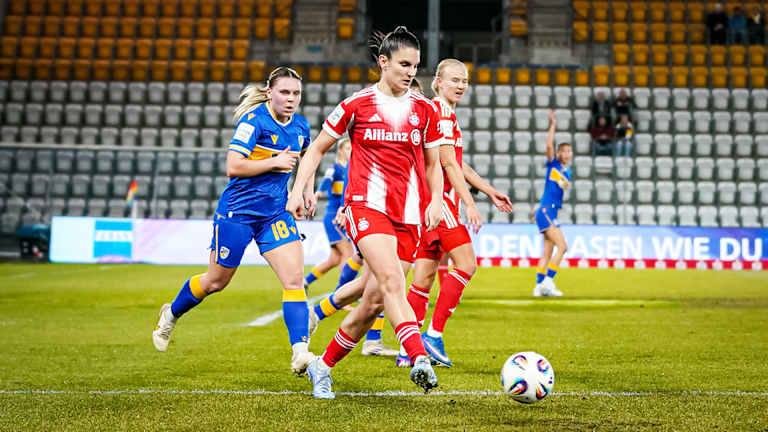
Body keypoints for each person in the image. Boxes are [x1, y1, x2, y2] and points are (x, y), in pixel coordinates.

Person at [286, 26, 446, 399]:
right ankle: (419, 357)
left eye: (416, 66)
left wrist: (436, 199)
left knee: (374, 302)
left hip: (409, 215)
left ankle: (322, 366)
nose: (410, 72)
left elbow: (433, 164)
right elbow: (317, 148)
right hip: (366, 207)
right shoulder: (356, 104)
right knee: (392, 281)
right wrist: (298, 190)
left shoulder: (425, 110)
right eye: (404, 64)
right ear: (383, 62)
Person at [152, 67, 316, 376]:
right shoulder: (253, 123)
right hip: (237, 213)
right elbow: (233, 166)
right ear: (270, 93)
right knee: (216, 282)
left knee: (294, 280)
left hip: (274, 214)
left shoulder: (301, 126)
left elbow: (308, 159)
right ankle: (171, 314)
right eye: (284, 92)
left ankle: (300, 353)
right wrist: (275, 162)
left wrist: (306, 190)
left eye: (296, 93)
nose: (291, 99)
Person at [403, 59, 514, 368]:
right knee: (466, 263)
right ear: (438, 82)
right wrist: (468, 202)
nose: (461, 85)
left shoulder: (445, 113)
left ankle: (407, 350)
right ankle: (433, 337)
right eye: (454, 80)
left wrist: (489, 190)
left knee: (423, 279)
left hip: (428, 205)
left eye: (464, 80)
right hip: (440, 203)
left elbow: (458, 163)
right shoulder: (440, 113)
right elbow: (447, 166)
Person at [302, 138, 354, 290]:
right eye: (346, 148)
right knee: (348, 253)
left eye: (351, 148)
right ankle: (343, 294)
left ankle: (305, 282)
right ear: (340, 151)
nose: (349, 151)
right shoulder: (336, 168)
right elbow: (326, 180)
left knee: (334, 259)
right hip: (334, 217)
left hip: (340, 216)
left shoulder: (351, 169)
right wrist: (318, 193)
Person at [533, 110, 572, 298]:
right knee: (563, 247)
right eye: (563, 151)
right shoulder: (553, 165)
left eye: (568, 151)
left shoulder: (567, 171)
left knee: (547, 253)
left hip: (550, 212)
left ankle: (539, 287)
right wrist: (553, 125)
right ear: (558, 153)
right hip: (547, 211)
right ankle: (548, 282)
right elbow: (548, 144)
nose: (566, 153)